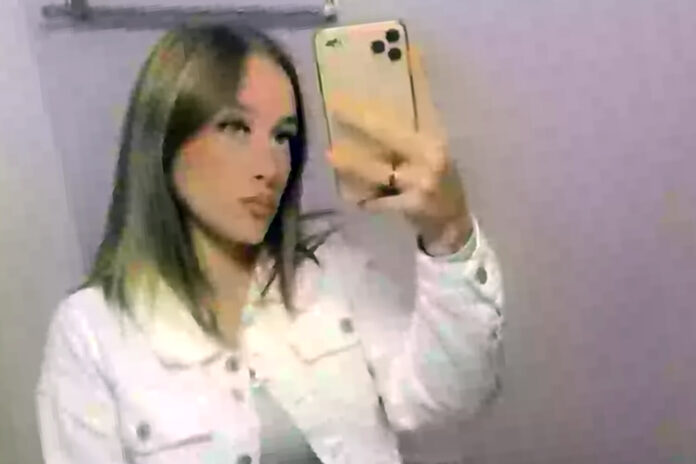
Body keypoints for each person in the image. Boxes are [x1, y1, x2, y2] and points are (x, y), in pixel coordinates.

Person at [35, 24, 504, 464]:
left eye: (283, 136)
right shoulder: (90, 332)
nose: (270, 167)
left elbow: (449, 396)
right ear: (165, 137)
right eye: (236, 128)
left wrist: (449, 232)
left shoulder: (330, 272)